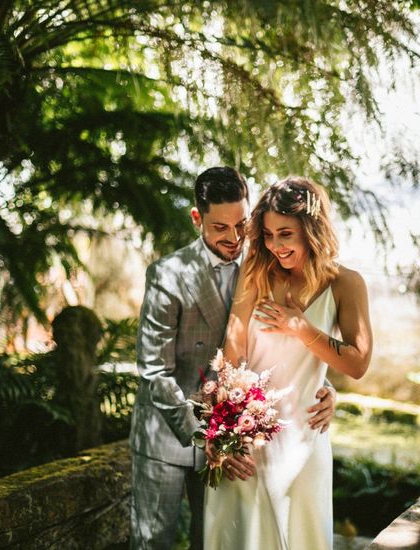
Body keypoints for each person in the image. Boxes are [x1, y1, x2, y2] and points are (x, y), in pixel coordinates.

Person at [128, 167, 337, 550]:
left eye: (242, 225)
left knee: (210, 542)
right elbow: (155, 372)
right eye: (220, 228)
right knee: (151, 544)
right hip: (169, 438)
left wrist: (324, 387)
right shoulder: (167, 275)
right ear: (197, 219)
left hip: (237, 441)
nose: (235, 237)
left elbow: (286, 343)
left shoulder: (267, 264)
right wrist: (206, 434)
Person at [204, 177, 374, 550]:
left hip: (305, 436)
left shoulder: (347, 284)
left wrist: (300, 327)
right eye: (267, 234)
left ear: (312, 231)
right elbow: (233, 351)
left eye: (286, 234)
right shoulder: (256, 272)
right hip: (248, 434)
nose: (275, 246)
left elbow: (358, 362)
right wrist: (220, 433)